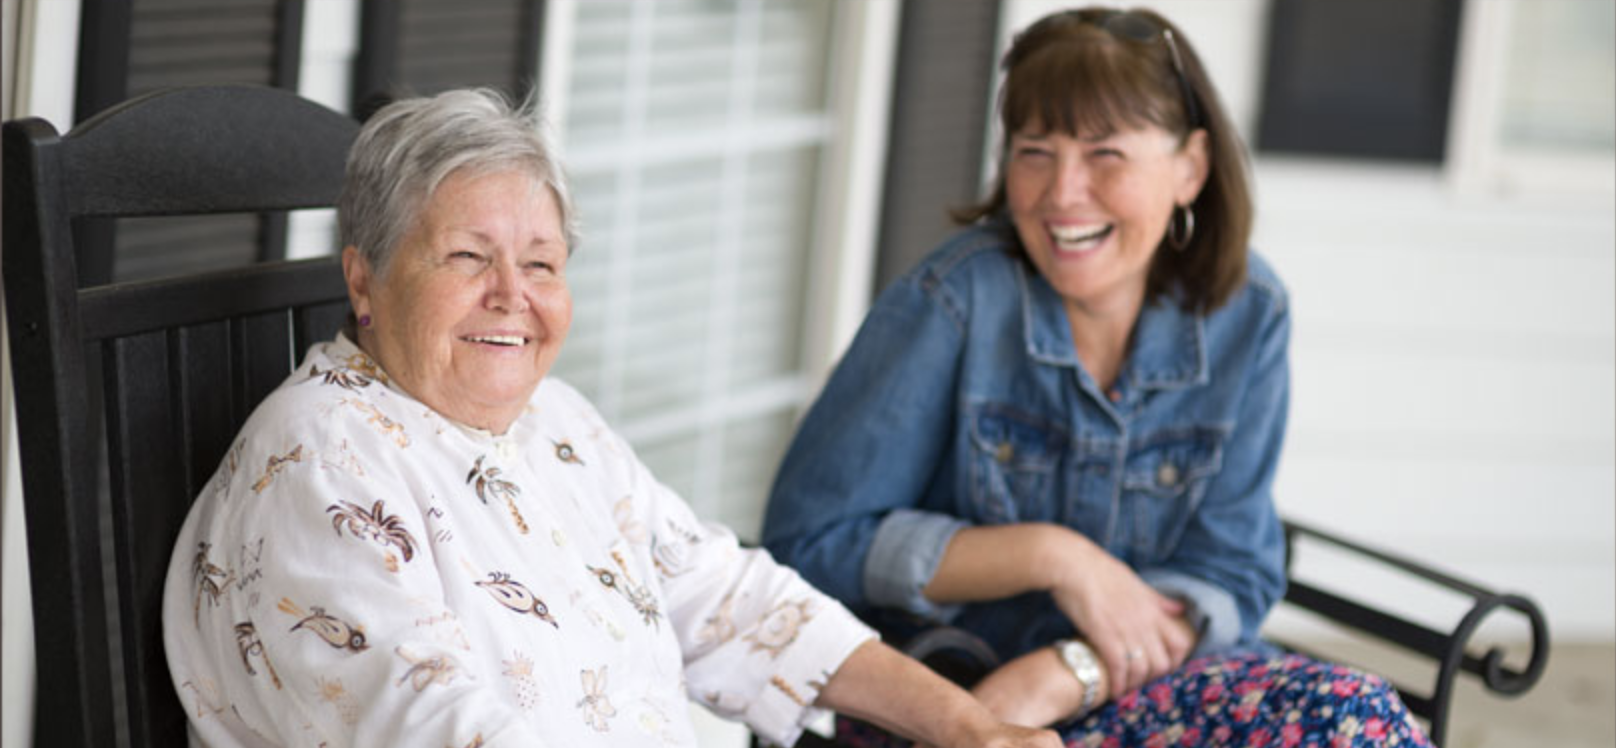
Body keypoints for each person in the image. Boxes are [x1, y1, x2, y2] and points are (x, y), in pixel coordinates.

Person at [161, 88, 1059, 748]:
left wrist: (968, 727)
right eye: (469, 257)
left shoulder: (552, 420)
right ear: (365, 280)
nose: (513, 297)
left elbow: (726, 599)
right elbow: (432, 725)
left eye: (543, 265)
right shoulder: (323, 460)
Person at [762, 7, 1431, 746]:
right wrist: (1052, 556)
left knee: (1355, 717)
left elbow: (1232, 569)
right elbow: (808, 542)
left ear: (1191, 168)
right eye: (1034, 151)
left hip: (1140, 678)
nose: (1060, 193)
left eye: (1104, 153)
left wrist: (1068, 670)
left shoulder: (1250, 313)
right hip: (953, 699)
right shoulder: (954, 301)